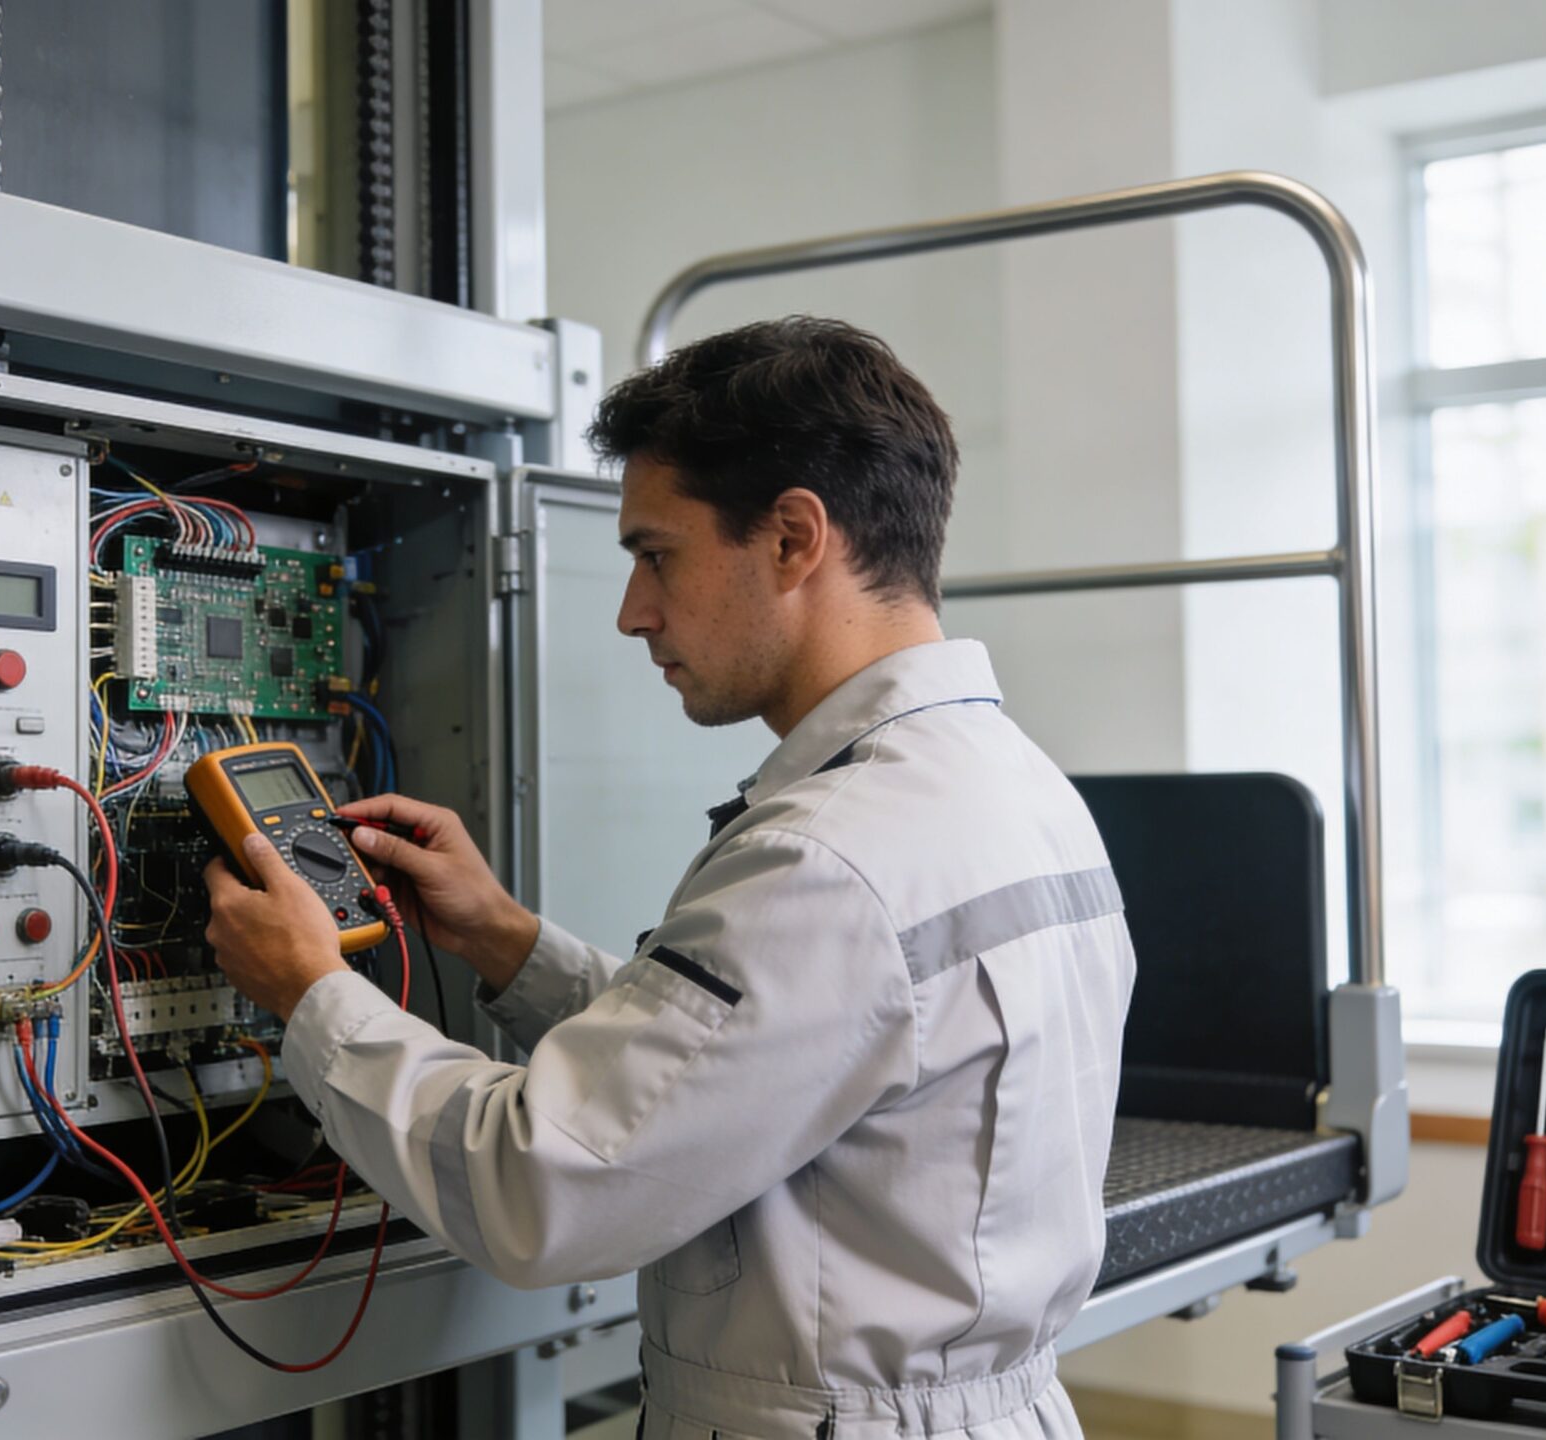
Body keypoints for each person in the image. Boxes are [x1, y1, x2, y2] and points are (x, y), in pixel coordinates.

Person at [204, 316, 1136, 1440]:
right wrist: (506, 940)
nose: (633, 611)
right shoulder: (1015, 789)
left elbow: (540, 1185)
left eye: (657, 555)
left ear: (794, 538)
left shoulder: (829, 855)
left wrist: (311, 994)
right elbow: (771, 1059)